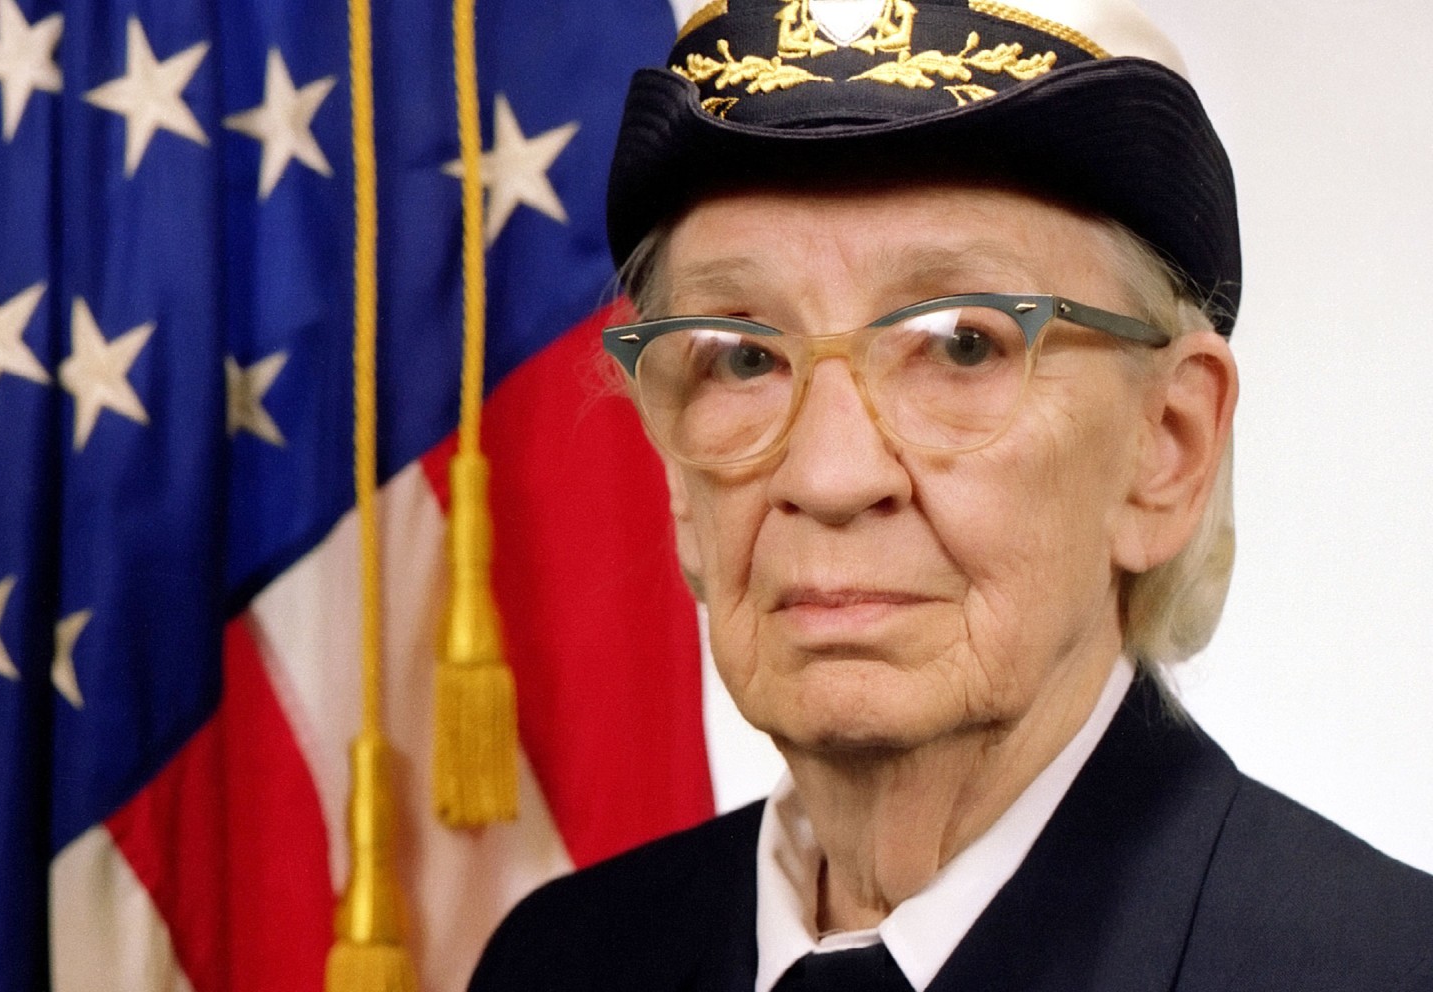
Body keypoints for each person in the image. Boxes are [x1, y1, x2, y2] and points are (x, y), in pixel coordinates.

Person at [470, 0, 1433, 989]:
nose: (829, 477)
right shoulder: (558, 963)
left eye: (963, 344)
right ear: (679, 482)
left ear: (1167, 448)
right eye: (743, 356)